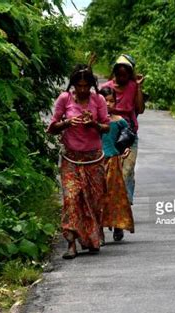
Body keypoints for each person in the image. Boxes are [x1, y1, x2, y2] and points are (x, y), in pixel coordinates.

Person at [47, 64, 110, 259]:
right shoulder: (64, 99)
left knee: (93, 201)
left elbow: (106, 127)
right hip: (71, 160)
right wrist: (67, 123)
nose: (82, 90)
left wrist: (93, 124)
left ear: (91, 86)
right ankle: (71, 243)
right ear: (73, 85)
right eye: (78, 86)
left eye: (86, 86)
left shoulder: (98, 100)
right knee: (71, 198)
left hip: (93, 159)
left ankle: (92, 239)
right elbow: (52, 127)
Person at [100, 54, 145, 240]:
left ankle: (120, 217)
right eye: (119, 73)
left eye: (126, 74)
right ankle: (109, 219)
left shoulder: (133, 87)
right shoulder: (105, 89)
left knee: (125, 173)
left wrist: (139, 88)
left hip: (127, 136)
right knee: (105, 181)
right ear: (115, 73)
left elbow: (140, 109)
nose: (122, 77)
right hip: (107, 138)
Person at [99, 87, 135, 242]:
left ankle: (118, 226)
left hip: (114, 160)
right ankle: (98, 229)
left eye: (111, 100)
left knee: (115, 194)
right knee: (98, 195)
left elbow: (128, 137)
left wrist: (126, 149)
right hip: (96, 161)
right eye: (105, 100)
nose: (108, 104)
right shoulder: (94, 121)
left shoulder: (119, 121)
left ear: (116, 101)